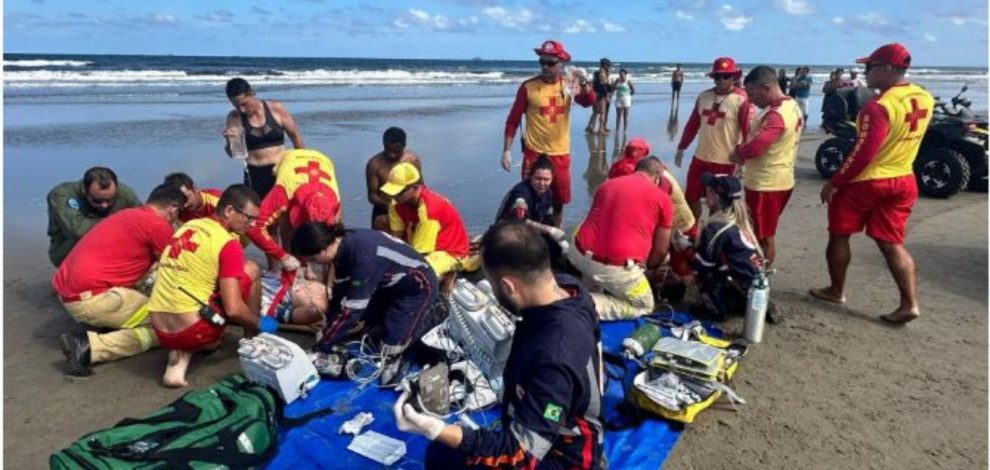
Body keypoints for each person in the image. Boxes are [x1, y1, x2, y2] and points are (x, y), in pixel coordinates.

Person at [394, 220, 604, 470]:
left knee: (443, 457)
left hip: (566, 457)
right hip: (552, 414)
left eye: (494, 286)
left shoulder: (553, 356)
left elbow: (521, 457)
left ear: (508, 286)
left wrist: (436, 429)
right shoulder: (570, 287)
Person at [810, 43, 934, 324]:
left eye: (871, 67)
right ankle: (909, 304)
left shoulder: (877, 107)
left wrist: (835, 181)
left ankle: (836, 290)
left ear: (888, 69)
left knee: (839, 235)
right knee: (891, 243)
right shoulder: (924, 97)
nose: (866, 73)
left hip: (867, 182)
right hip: (903, 178)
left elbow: (863, 152)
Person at [54, 185, 185, 376]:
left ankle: (111, 322)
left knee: (151, 275)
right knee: (172, 326)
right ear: (173, 210)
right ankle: (91, 347)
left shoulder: (128, 215)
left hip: (68, 291)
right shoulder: (157, 225)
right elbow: (181, 267)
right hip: (92, 299)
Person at [147, 184, 271, 388]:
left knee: (203, 285)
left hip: (160, 329)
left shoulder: (188, 227)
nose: (252, 224)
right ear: (229, 210)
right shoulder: (228, 243)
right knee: (252, 268)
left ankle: (179, 359)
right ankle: (251, 341)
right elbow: (233, 309)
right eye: (249, 218)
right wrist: (262, 323)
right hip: (193, 329)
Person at [290, 222, 441, 378]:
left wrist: (322, 344)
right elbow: (340, 291)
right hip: (388, 285)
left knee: (389, 349)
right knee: (370, 334)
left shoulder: (364, 259)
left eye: (313, 259)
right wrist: (329, 324)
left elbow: (352, 310)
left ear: (324, 249)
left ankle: (432, 316)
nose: (314, 264)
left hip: (418, 288)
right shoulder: (343, 245)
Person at [501, 39, 596, 228]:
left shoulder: (569, 85)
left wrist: (584, 82)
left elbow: (589, 101)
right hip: (533, 152)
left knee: (559, 201)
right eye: (542, 62)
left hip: (560, 153)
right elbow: (513, 120)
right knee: (529, 197)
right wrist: (506, 150)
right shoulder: (528, 87)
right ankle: (531, 235)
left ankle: (554, 234)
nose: (545, 67)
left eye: (551, 63)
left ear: (561, 63)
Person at [568, 157, 673, 320]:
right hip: (611, 267)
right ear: (658, 176)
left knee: (596, 279)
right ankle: (578, 303)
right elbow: (660, 250)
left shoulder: (607, 184)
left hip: (578, 252)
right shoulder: (663, 199)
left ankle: (588, 296)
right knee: (644, 305)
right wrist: (647, 270)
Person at [729, 65, 803, 268]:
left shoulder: (776, 114)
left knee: (763, 236)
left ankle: (760, 280)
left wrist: (738, 154)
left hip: (766, 183)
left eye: (752, 94)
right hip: (781, 177)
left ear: (767, 87)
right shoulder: (792, 106)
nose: (750, 100)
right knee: (760, 231)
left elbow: (759, 145)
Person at [675, 57, 753, 223]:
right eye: (717, 76)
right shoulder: (704, 97)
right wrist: (682, 147)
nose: (721, 80)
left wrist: (744, 158)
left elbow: (748, 130)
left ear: (734, 77)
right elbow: (693, 124)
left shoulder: (742, 99)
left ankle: (712, 232)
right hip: (700, 158)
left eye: (726, 76)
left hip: (724, 161)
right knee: (691, 197)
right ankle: (694, 229)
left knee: (717, 203)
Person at [245, 148, 342, 273]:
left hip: (324, 161)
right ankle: (277, 270)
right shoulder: (284, 191)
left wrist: (329, 288)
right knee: (285, 226)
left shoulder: (334, 200)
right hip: (291, 160)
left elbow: (336, 240)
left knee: (331, 249)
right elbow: (253, 227)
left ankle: (308, 266)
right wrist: (283, 256)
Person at [691, 173, 767, 320]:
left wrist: (687, 249)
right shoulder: (738, 221)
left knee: (702, 271)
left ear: (715, 196)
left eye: (707, 190)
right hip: (754, 289)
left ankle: (718, 308)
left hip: (742, 292)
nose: (704, 192)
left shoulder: (715, 228)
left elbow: (702, 266)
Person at [382, 162, 470, 279]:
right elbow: (396, 237)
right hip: (421, 243)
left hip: (449, 253)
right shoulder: (396, 204)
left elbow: (420, 254)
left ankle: (452, 273)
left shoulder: (430, 210)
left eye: (399, 192)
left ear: (415, 187)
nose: (394, 196)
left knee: (417, 275)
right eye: (392, 192)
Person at [223, 77, 304, 199]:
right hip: (255, 175)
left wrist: (302, 165)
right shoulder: (234, 117)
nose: (241, 109)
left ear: (252, 93)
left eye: (244, 104)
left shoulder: (276, 109)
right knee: (259, 214)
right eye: (236, 106)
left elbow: (295, 137)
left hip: (281, 171)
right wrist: (229, 141)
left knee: (286, 211)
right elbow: (235, 154)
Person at [47, 166, 141, 266]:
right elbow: (78, 230)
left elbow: (144, 219)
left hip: (111, 244)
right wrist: (121, 221)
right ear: (84, 190)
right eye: (97, 201)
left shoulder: (125, 193)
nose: (104, 205)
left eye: (109, 200)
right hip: (67, 249)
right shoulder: (61, 194)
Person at [366, 127, 422, 232]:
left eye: (396, 150)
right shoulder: (374, 164)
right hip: (383, 209)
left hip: (409, 209)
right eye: (388, 150)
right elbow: (372, 196)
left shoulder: (412, 160)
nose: (392, 154)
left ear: (404, 146)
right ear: (383, 145)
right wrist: (391, 208)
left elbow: (421, 186)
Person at [586, 58, 613, 134]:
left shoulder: (596, 73)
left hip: (594, 94)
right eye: (608, 65)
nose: (609, 67)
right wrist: (606, 96)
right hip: (600, 96)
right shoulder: (602, 73)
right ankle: (601, 129)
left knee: (595, 112)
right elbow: (603, 86)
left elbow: (594, 84)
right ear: (605, 65)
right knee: (602, 113)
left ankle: (589, 126)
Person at [613, 68, 635, 133]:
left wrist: (628, 96)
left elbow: (633, 91)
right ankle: (617, 129)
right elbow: (612, 89)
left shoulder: (628, 82)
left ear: (625, 75)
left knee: (625, 116)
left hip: (626, 100)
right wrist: (615, 82)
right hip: (618, 99)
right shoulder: (617, 81)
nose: (621, 76)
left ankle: (625, 130)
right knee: (618, 116)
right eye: (620, 74)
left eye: (622, 74)